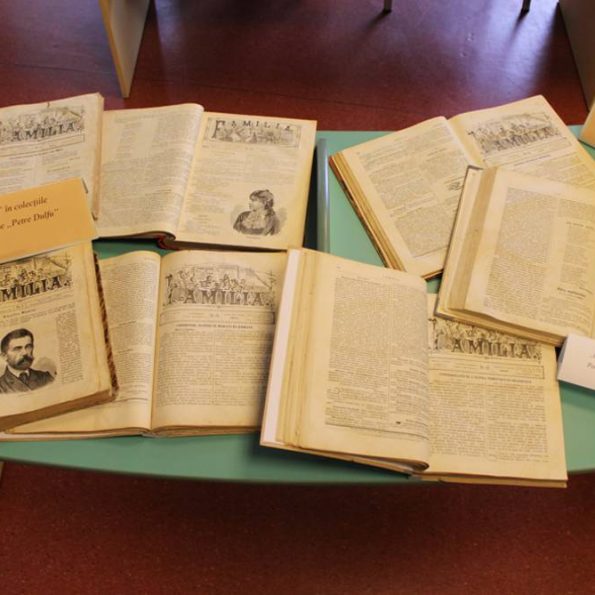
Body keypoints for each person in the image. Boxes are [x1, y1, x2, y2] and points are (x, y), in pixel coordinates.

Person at [0, 328, 54, 393]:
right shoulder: (1, 386)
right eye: (17, 348)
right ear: (4, 356)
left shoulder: (45, 377)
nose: (25, 353)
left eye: (28, 347)